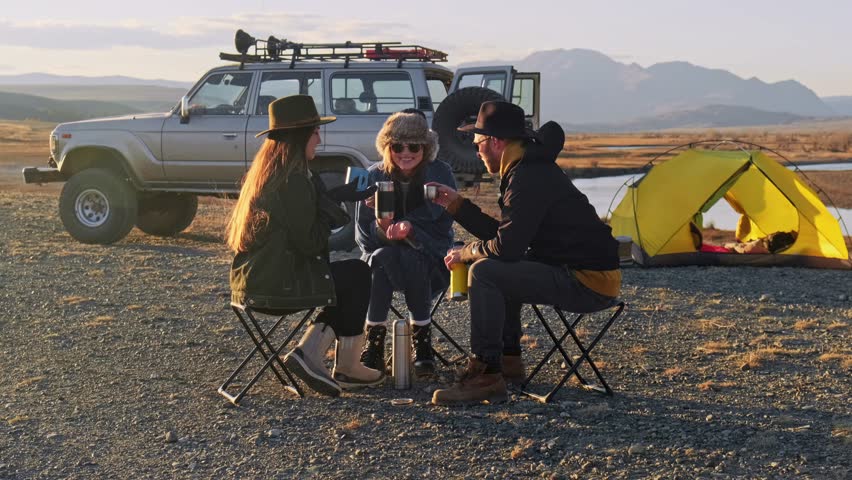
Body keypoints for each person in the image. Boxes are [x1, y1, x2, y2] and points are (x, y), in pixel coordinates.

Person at [426, 101, 622, 406]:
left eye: (478, 142)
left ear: (496, 141)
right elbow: (507, 238)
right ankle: (509, 362)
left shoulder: (527, 176)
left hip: (588, 282)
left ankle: (487, 374)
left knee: (486, 272)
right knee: (497, 264)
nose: (476, 150)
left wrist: (467, 253)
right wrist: (455, 205)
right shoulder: (526, 168)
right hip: (576, 270)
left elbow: (506, 248)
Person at [227, 94, 384, 397]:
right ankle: (321, 358)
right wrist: (330, 207)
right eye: (315, 131)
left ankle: (334, 362)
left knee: (350, 274)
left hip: (251, 282)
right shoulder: (293, 180)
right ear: (301, 137)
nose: (319, 138)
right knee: (357, 274)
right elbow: (311, 243)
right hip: (275, 286)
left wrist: (334, 196)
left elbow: (296, 225)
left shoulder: (269, 175)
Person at [355, 109, 456, 377]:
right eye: (397, 146)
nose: (406, 152)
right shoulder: (373, 175)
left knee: (409, 257)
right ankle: (375, 345)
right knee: (380, 257)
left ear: (426, 148)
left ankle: (419, 345)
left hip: (431, 263)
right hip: (384, 266)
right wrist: (382, 227)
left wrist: (411, 230)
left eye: (414, 146)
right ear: (387, 147)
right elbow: (362, 236)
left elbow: (443, 225)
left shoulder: (440, 172)